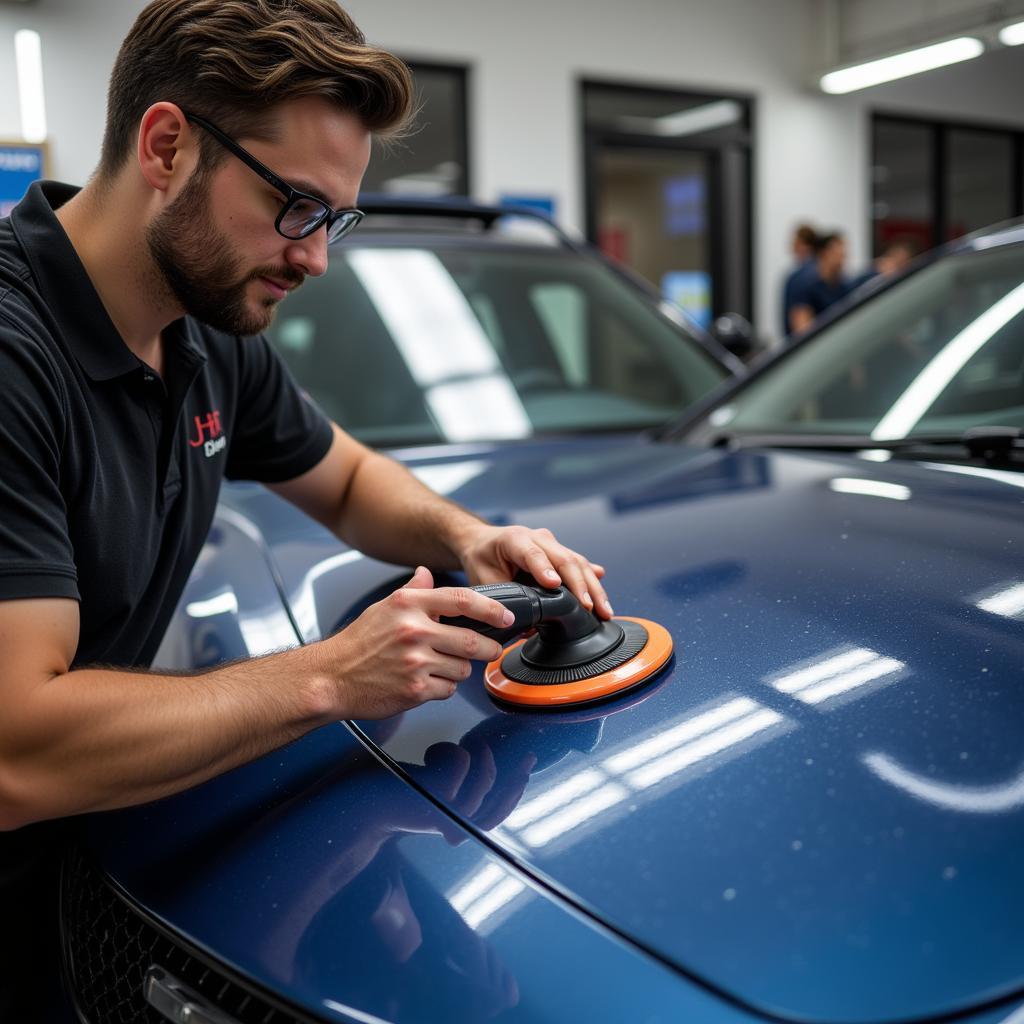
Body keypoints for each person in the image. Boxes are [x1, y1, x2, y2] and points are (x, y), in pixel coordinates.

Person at [0, 0, 610, 1016]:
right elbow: (15, 748)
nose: (316, 257)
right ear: (166, 146)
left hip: (86, 868)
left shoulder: (205, 330)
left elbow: (349, 479)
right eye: (296, 207)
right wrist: (336, 673)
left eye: (335, 218)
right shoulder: (16, 354)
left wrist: (469, 536)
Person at [787, 230, 850, 337]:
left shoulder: (842, 285)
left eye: (843, 254)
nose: (842, 259)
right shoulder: (803, 284)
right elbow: (802, 332)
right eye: (838, 254)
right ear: (824, 253)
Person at [780, 223, 817, 338]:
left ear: (802, 244)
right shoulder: (819, 275)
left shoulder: (799, 278)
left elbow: (801, 330)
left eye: (794, 242)